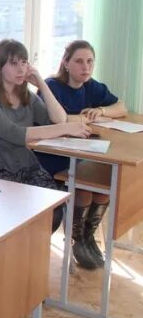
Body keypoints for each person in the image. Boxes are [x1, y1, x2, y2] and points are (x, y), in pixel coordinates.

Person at [0, 39, 91, 235]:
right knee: (23, 215)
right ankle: (16, 254)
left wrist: (41, 82)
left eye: (24, 62)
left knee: (54, 209)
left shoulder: (27, 95)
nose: (21, 69)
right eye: (14, 63)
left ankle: (28, 255)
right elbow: (18, 135)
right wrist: (67, 127)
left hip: (25, 166)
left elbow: (58, 120)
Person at [41, 40, 125, 269]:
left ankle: (88, 236)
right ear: (66, 63)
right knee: (85, 184)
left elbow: (121, 107)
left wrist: (101, 110)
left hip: (82, 154)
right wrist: (79, 119)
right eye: (79, 61)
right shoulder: (51, 86)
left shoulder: (91, 86)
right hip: (54, 159)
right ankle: (78, 239)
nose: (85, 67)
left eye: (90, 61)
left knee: (103, 180)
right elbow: (55, 119)